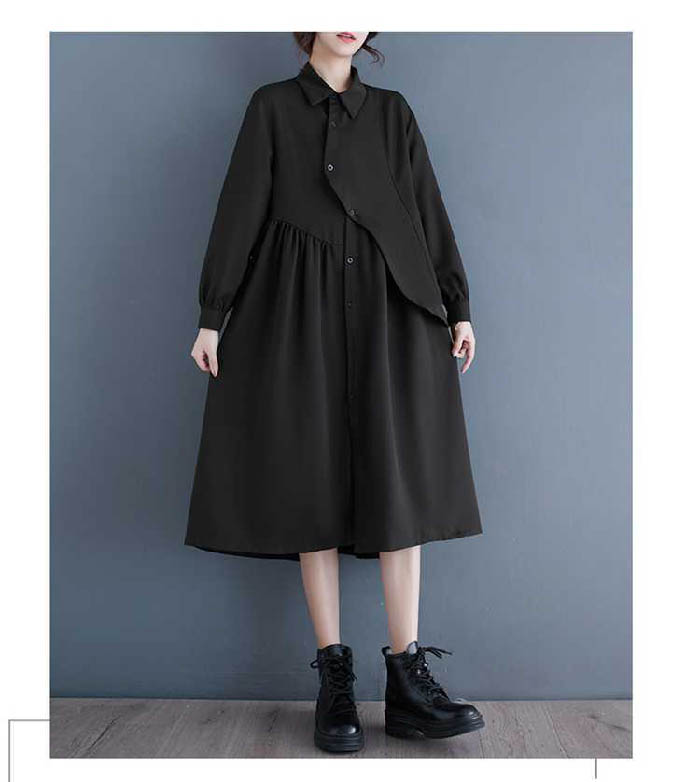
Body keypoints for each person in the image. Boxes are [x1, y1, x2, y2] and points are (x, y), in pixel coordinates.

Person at [185, 31, 485, 753]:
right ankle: (334, 681)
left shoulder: (392, 112)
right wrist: (213, 316)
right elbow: (240, 209)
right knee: (309, 482)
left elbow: (425, 207)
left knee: (400, 487)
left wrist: (457, 304)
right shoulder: (271, 108)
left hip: (392, 308)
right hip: (298, 310)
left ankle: (408, 684)